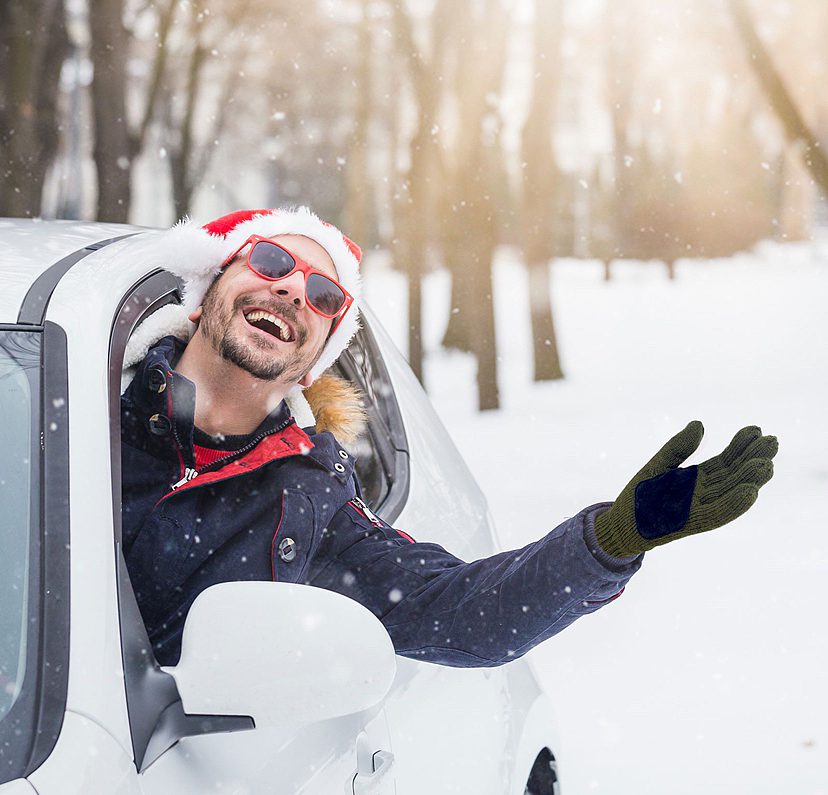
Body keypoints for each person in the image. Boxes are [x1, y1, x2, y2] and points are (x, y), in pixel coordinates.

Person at [120, 207, 778, 667]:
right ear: (206, 293)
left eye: (324, 297)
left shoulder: (308, 507)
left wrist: (611, 541)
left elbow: (466, 613)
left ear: (315, 359)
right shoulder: (81, 408)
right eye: (270, 261)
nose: (293, 289)